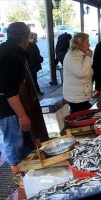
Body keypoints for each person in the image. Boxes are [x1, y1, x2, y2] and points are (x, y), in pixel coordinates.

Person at [0, 22, 49, 188]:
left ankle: (31, 175)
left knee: (26, 144)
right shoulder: (10, 56)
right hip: (8, 111)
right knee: (15, 144)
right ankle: (19, 180)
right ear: (24, 37)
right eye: (28, 36)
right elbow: (9, 91)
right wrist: (22, 115)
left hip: (13, 108)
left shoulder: (11, 50)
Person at [62, 32, 93, 113]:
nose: (89, 45)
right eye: (87, 42)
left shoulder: (80, 54)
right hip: (76, 97)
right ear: (80, 44)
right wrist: (88, 58)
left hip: (81, 94)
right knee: (80, 115)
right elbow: (81, 73)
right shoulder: (73, 56)